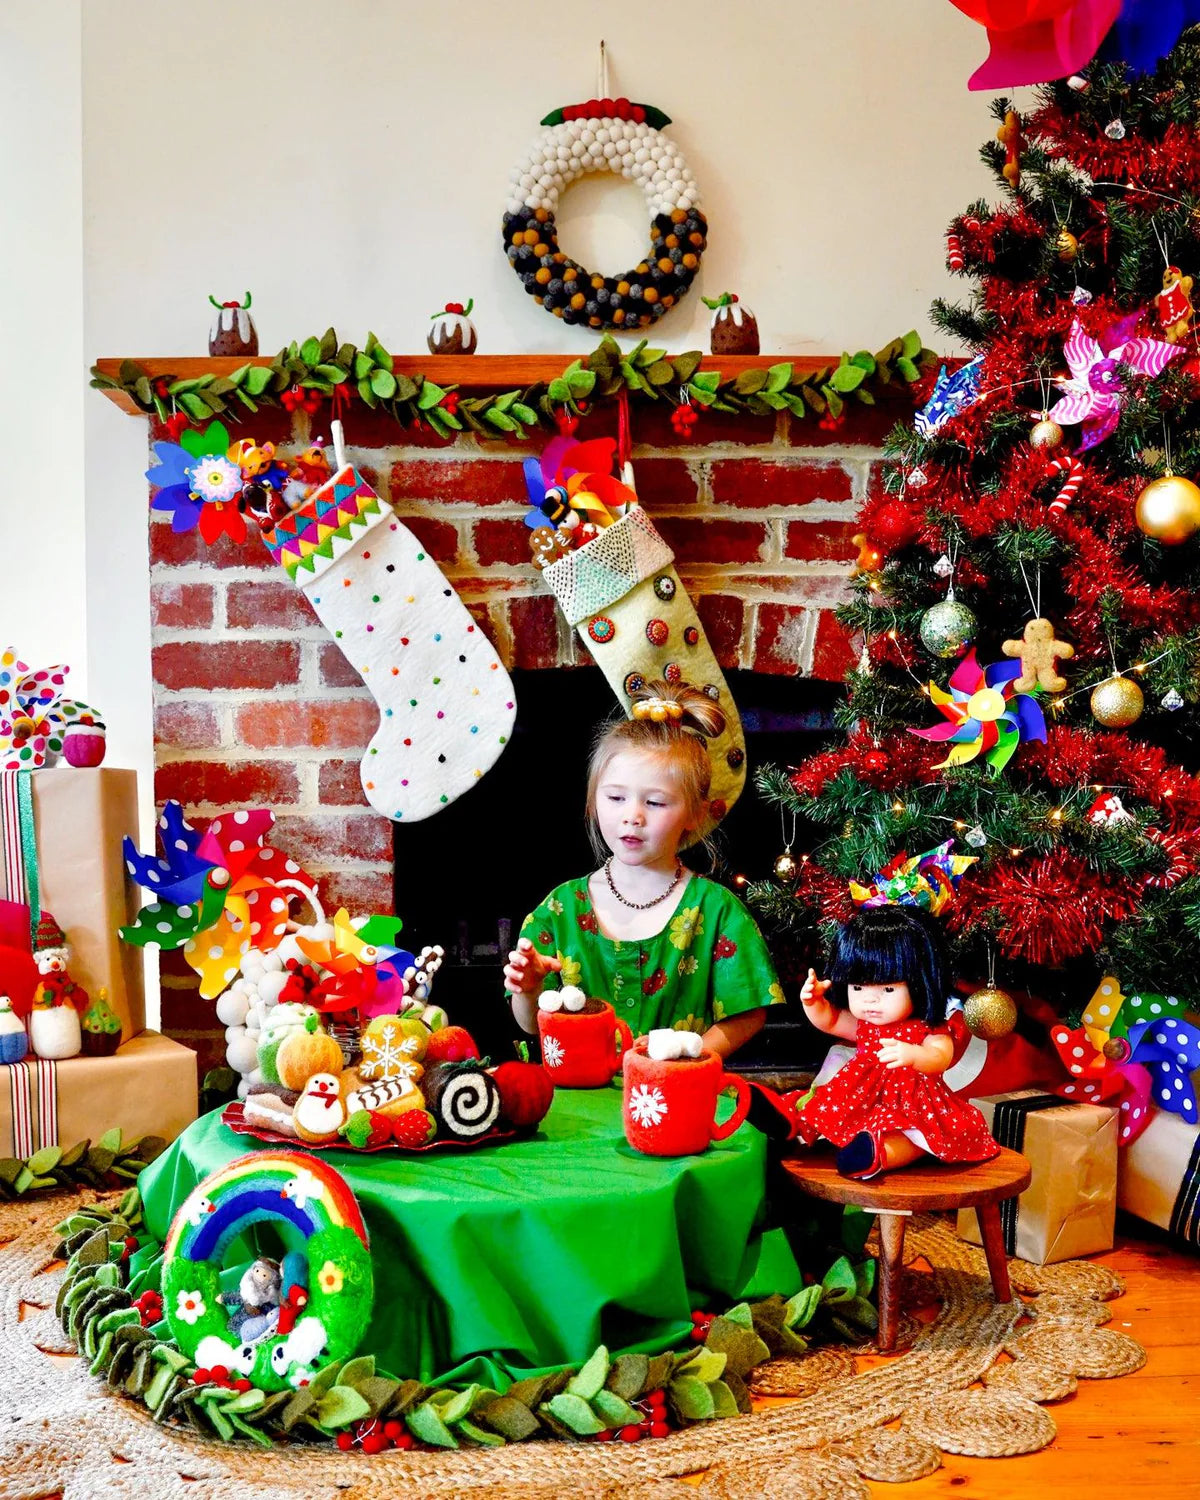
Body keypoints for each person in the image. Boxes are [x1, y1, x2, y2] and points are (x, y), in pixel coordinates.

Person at [504, 679, 785, 1059]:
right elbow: (528, 1023)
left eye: (654, 803)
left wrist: (693, 1053)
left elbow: (749, 1014)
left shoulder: (717, 910)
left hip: (679, 1097)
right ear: (593, 801)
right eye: (616, 797)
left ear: (695, 814)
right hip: (576, 1104)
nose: (632, 816)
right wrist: (529, 989)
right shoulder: (559, 910)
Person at [795, 905, 999, 1179]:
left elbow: (940, 1056)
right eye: (858, 987)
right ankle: (791, 1126)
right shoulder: (866, 1025)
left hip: (913, 1104)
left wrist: (914, 1055)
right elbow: (830, 1021)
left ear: (918, 982)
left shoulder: (928, 1026)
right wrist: (813, 1003)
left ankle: (879, 1154)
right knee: (821, 1110)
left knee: (910, 1134)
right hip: (861, 1097)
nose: (869, 999)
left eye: (888, 989)